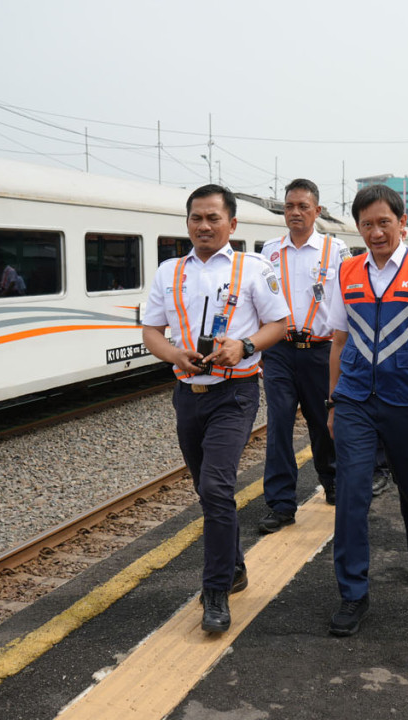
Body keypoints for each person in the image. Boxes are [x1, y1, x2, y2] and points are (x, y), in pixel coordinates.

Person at [141, 184, 288, 634]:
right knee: (209, 493)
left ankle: (215, 591)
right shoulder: (169, 272)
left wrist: (243, 346)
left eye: (213, 218)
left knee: (217, 487)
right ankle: (235, 565)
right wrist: (174, 355)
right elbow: (151, 331)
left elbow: (280, 324)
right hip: (188, 395)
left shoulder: (254, 269)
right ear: (187, 223)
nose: (204, 226)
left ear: (232, 224)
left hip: (236, 393)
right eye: (196, 218)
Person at [324, 184, 408, 637]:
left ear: (402, 223)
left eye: (384, 222)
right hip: (356, 399)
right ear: (358, 228)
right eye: (367, 224)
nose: (376, 232)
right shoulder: (345, 272)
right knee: (352, 491)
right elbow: (338, 341)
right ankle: (352, 593)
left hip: (407, 399)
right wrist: (332, 398)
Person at [257, 179, 348, 534]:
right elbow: (259, 301)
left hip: (321, 351)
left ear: (317, 211)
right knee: (278, 423)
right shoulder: (269, 251)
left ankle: (334, 480)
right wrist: (259, 348)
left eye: (303, 207)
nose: (295, 213)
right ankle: (280, 503)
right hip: (280, 351)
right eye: (289, 206)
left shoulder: (335, 250)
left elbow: (346, 300)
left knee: (322, 420)